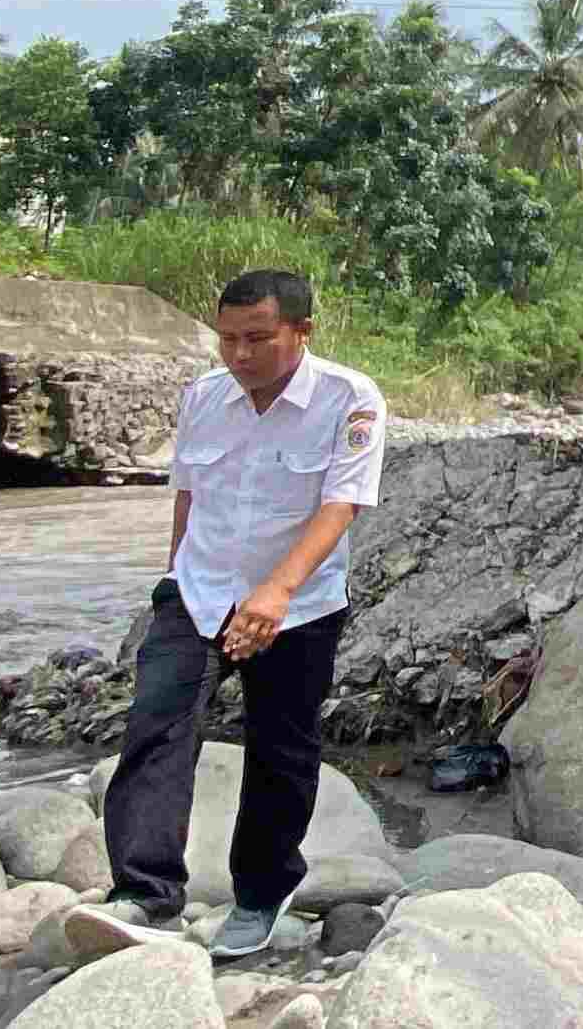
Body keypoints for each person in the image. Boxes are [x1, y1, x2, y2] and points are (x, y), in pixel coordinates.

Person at [66, 269, 385, 964]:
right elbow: (189, 493)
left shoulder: (349, 398)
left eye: (258, 338)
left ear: (302, 332)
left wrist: (276, 592)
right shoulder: (205, 396)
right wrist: (172, 576)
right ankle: (145, 894)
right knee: (156, 726)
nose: (240, 354)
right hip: (198, 591)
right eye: (228, 338)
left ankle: (262, 895)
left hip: (299, 605)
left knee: (281, 749)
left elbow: (342, 504)